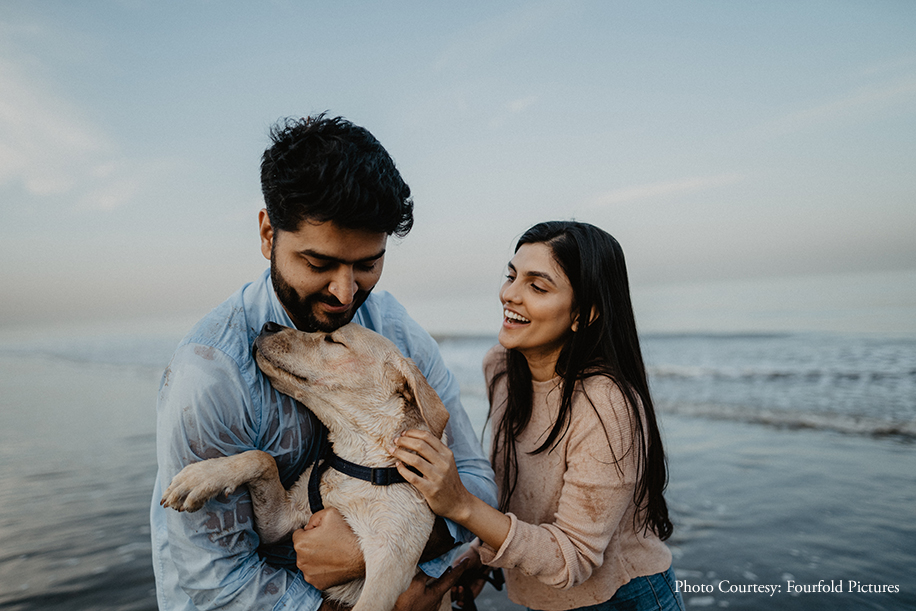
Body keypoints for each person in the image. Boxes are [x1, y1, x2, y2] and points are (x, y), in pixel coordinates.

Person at [150, 114, 497, 611]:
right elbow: (216, 584)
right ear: (269, 234)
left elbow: (475, 482)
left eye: (367, 264)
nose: (344, 293)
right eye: (319, 264)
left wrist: (373, 556)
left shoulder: (391, 332)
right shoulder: (210, 376)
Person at [393, 221, 685, 611]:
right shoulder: (501, 368)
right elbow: (523, 494)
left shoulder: (607, 404)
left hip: (622, 598)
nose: (509, 295)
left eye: (537, 286)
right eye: (512, 276)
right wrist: (480, 555)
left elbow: (573, 557)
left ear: (585, 313)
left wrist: (461, 504)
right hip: (541, 598)